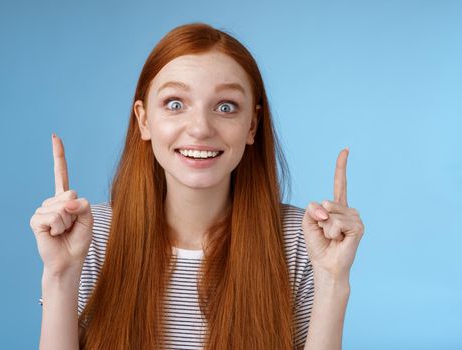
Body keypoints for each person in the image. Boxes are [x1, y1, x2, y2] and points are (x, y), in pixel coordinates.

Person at [29, 22, 365, 350]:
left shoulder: (299, 240)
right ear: (144, 120)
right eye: (175, 104)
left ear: (252, 125)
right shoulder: (93, 236)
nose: (200, 128)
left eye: (225, 106)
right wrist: (60, 276)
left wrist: (333, 281)